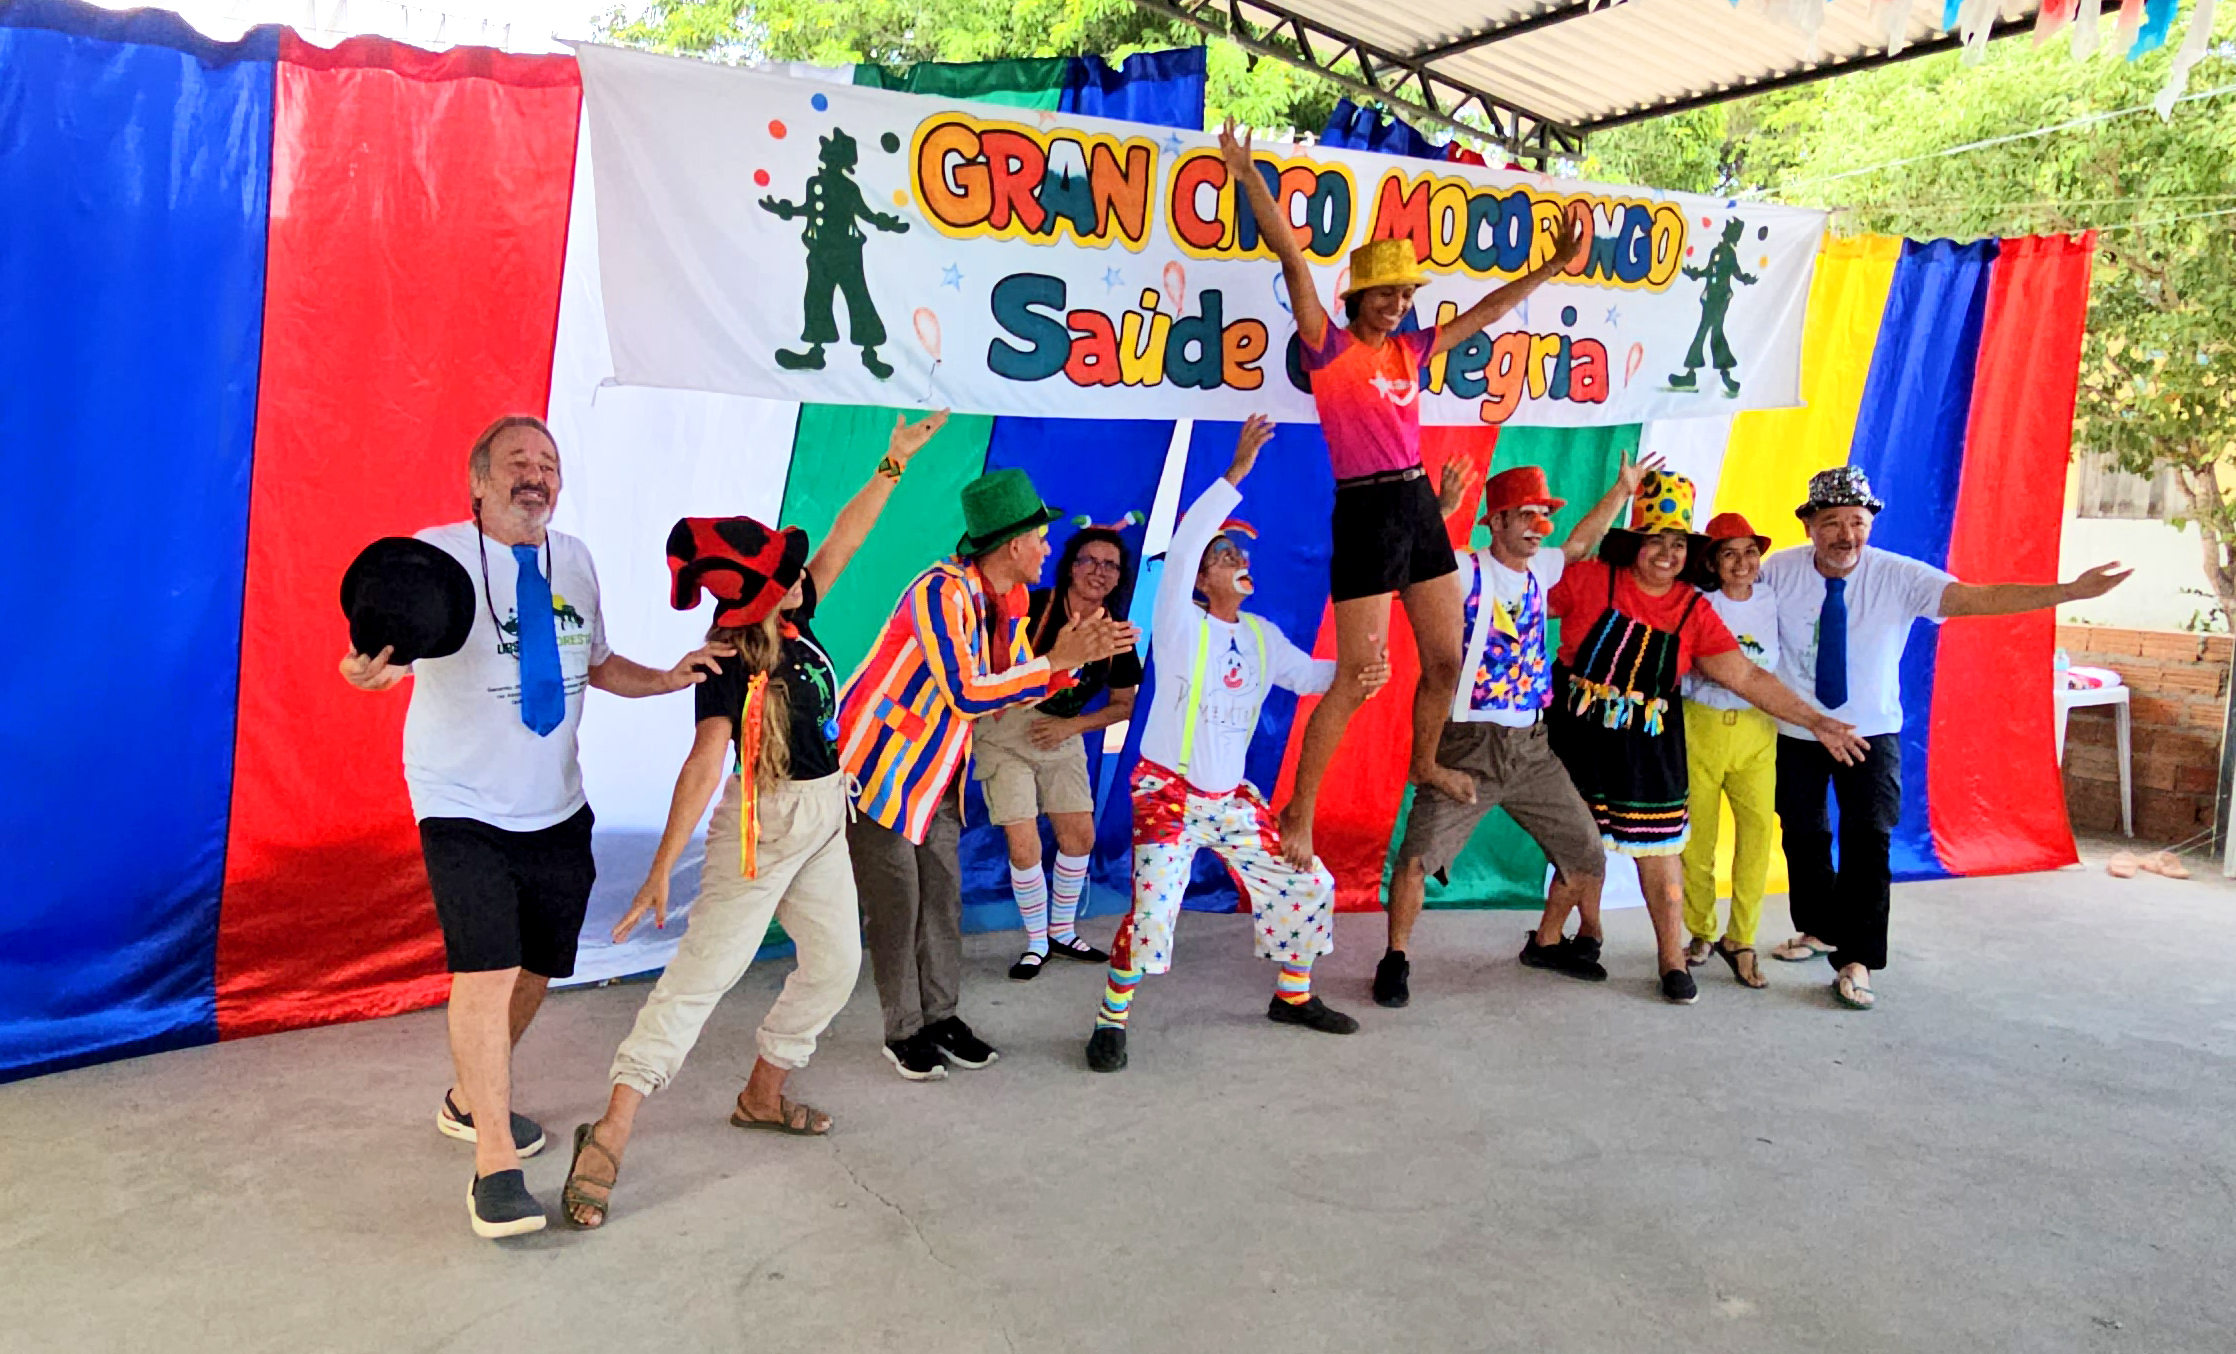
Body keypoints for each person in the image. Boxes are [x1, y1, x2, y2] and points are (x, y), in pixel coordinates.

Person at [337, 414, 726, 1240]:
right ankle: (495, 1166)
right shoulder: (436, 557)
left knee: (537, 970)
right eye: (517, 460)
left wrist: (667, 679)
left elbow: (596, 663)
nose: (536, 474)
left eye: (548, 462)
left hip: (556, 805)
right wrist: (363, 670)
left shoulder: (574, 561)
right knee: (487, 969)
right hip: (461, 804)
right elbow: (385, 648)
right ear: (477, 481)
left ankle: (466, 1098)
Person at [559, 411, 948, 1231]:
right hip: (758, 830)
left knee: (835, 965)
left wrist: (893, 462)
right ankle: (612, 1129)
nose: (807, 574)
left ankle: (763, 1093)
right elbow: (706, 763)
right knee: (700, 979)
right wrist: (662, 867)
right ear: (767, 593)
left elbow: (845, 538)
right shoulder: (727, 660)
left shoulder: (798, 621)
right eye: (791, 572)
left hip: (824, 814)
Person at [1218, 117, 1586, 873]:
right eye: (1386, 292)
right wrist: (1248, 175)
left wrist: (1552, 266)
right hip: (1365, 510)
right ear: (1360, 295)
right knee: (1358, 677)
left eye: (1406, 293)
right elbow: (1292, 258)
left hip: (1417, 504)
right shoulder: (1328, 344)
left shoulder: (1411, 349)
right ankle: (1300, 808)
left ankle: (1424, 761)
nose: (1397, 303)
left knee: (1447, 662)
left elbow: (1484, 314)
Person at [1085, 416, 1391, 1074]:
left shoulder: (1260, 635)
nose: (1239, 563)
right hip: (1168, 796)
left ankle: (1293, 995)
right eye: (1225, 557)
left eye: (1241, 557)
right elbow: (1187, 542)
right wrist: (1236, 473)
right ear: (1199, 579)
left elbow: (1315, 678)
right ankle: (1111, 1020)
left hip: (1231, 802)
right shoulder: (1178, 621)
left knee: (1307, 881)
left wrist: (1362, 672)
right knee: (1153, 915)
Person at [1762, 467, 2130, 1009]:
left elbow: (1980, 599)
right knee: (1802, 833)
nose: (1846, 535)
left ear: (1870, 525)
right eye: (1832, 522)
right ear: (1809, 526)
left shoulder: (1898, 575)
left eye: (1857, 522)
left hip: (1870, 732)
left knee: (1869, 839)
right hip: (1798, 726)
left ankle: (1858, 959)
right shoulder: (1778, 570)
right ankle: (1820, 927)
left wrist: (2070, 592)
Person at [840, 467, 1138, 1080]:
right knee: (899, 908)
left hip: (938, 775)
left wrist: (1069, 662)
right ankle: (904, 1031)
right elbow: (968, 692)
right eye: (1041, 539)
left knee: (941, 903)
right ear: (1013, 545)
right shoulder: (941, 593)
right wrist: (1057, 659)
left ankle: (941, 1017)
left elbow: (1009, 692)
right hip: (881, 770)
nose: (1049, 550)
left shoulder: (1004, 603)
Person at [1536, 470, 1867, 1004]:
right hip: (1581, 735)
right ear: (1634, 543)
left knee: (1660, 853)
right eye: (1655, 541)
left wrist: (1815, 721)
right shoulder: (1591, 579)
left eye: (1678, 544)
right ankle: (1571, 935)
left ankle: (1671, 960)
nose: (1667, 553)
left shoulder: (1693, 609)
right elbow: (1523, 599)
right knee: (1580, 845)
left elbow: (1746, 676)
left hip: (1650, 744)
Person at [1374, 455, 1652, 1007]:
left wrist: (1622, 492)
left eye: (1542, 515)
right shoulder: (1462, 570)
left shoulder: (1542, 569)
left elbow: (1579, 545)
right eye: (1524, 514)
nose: (1537, 526)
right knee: (1417, 859)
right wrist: (1441, 510)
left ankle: (1547, 943)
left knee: (1586, 852)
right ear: (1496, 521)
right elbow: (1403, 566)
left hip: (1531, 748)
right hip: (1468, 745)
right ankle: (1396, 957)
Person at [982, 522, 1144, 980]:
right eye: (1089, 560)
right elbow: (988, 670)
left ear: (1120, 577)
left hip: (1064, 733)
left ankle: (1062, 931)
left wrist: (1072, 726)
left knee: (1080, 837)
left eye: (1110, 565)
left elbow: (1124, 705)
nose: (1099, 571)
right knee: (1023, 842)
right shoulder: (1031, 607)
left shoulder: (1117, 634)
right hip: (1005, 729)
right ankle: (1036, 942)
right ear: (1070, 566)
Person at [1676, 513, 1781, 989]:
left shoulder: (1773, 600)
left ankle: (1742, 938)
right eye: (1730, 554)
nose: (1742, 563)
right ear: (1712, 562)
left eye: (1750, 552)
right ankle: (1701, 931)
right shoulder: (1697, 602)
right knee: (1698, 840)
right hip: (1700, 726)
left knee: (1757, 836)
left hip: (1758, 730)